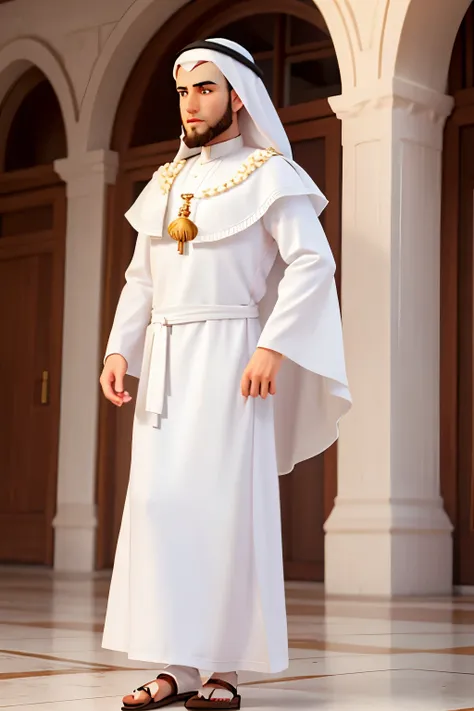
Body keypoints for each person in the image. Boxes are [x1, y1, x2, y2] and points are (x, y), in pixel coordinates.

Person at [99, 38, 351, 711]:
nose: (192, 102)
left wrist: (272, 345)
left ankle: (226, 669)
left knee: (223, 512)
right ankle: (176, 663)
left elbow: (311, 263)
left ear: (236, 95)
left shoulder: (269, 173)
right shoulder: (165, 183)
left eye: (205, 88)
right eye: (184, 91)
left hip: (232, 357)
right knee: (161, 510)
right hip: (164, 361)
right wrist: (118, 349)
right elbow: (140, 277)